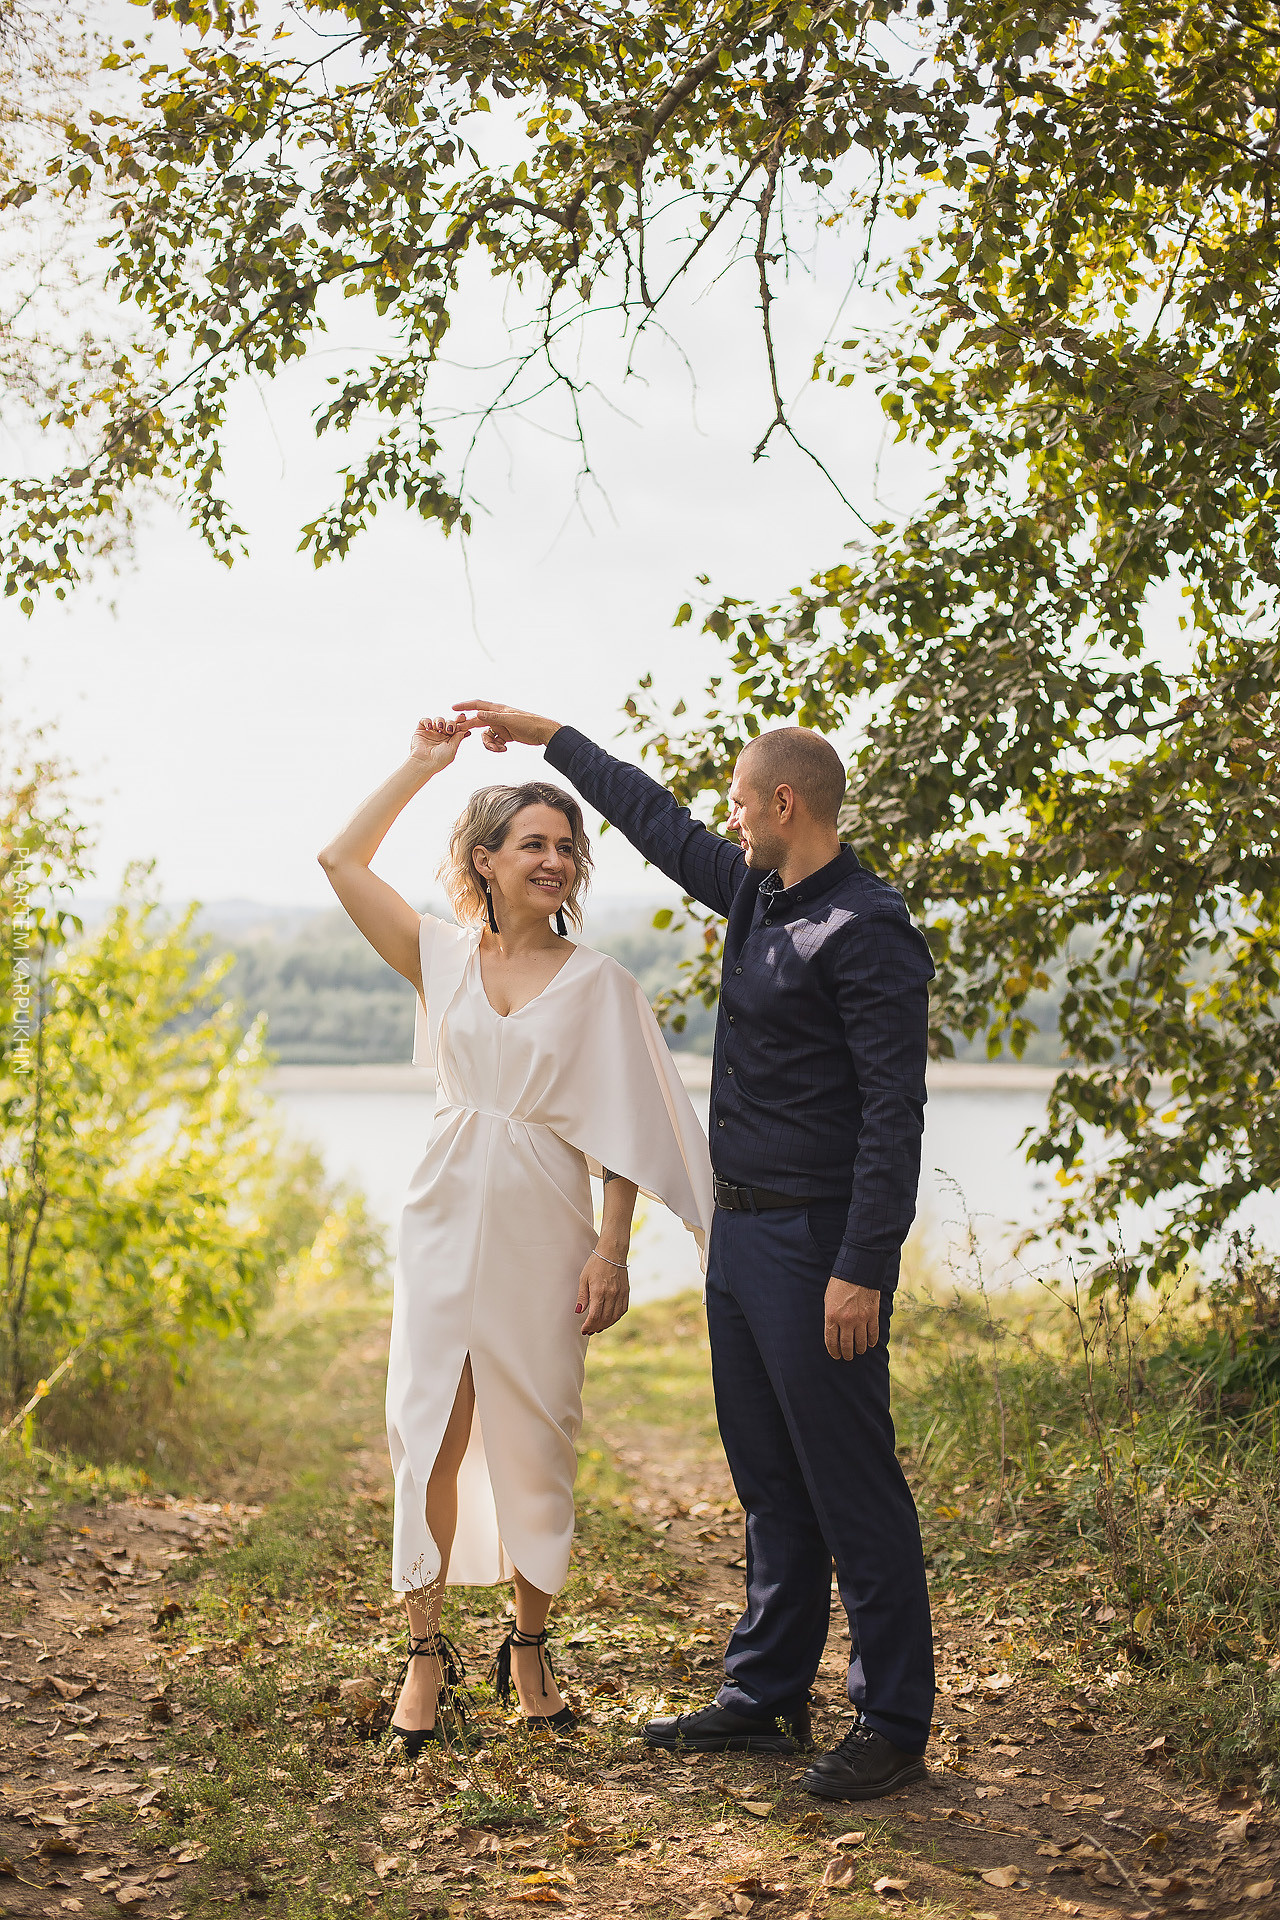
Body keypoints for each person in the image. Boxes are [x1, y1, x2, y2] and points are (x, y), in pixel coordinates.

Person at [452, 698, 937, 1801]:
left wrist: (862, 1264)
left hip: (821, 1246)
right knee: (769, 1479)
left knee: (850, 1483)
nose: (724, 821)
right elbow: (657, 822)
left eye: (737, 802)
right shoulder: (759, 895)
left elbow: (892, 1117)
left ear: (782, 803)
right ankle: (767, 1694)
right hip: (740, 1232)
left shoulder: (866, 929)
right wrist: (549, 736)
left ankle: (892, 1719)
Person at [318, 715, 713, 1755]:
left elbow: (627, 1128)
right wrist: (421, 763)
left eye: (564, 845)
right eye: (530, 843)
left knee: (537, 1435)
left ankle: (528, 1647)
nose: (552, 859)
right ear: (483, 861)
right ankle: (421, 1657)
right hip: (441, 1208)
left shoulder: (602, 987)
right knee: (428, 1432)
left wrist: (612, 1247)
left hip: (546, 1214)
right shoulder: (438, 959)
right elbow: (337, 860)